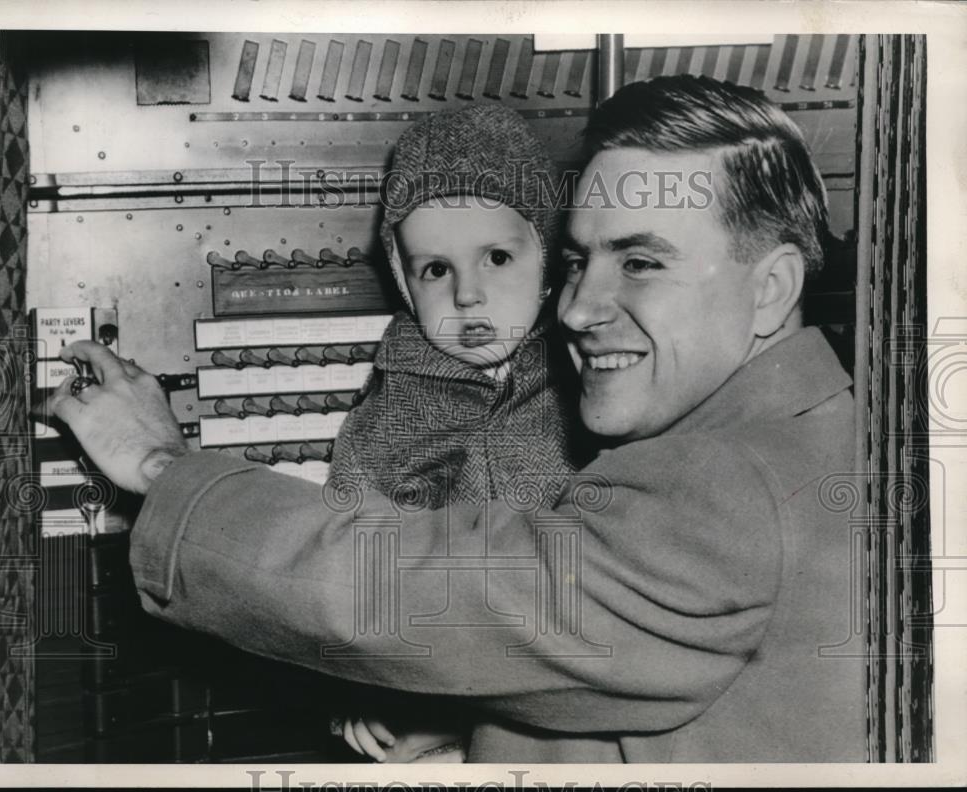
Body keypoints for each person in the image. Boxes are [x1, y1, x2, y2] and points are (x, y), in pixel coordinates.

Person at [49, 75, 867, 762]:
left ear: (771, 288)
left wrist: (162, 467)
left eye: (642, 262)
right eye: (580, 261)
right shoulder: (808, 427)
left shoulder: (732, 485)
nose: (578, 309)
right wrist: (482, 748)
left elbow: (403, 591)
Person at [326, 104, 583, 761]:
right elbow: (353, 578)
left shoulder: (592, 392)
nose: (467, 295)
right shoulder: (385, 416)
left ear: (549, 261)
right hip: (432, 694)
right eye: (435, 270)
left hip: (577, 695)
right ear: (406, 286)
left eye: (497, 257)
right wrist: (363, 693)